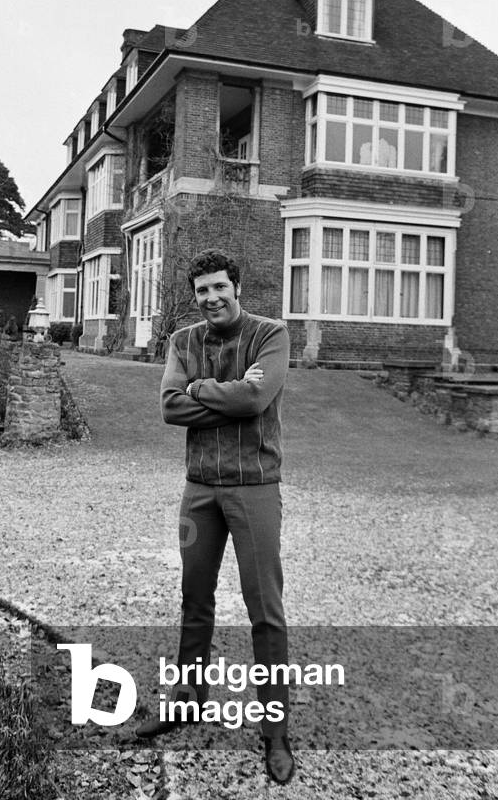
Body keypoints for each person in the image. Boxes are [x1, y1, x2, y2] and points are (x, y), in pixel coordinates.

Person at [135, 248, 295, 786]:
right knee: (194, 597)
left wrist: (199, 390)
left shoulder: (270, 335)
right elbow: (169, 408)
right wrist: (217, 394)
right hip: (199, 489)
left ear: (237, 287)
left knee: (264, 609)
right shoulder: (183, 342)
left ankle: (275, 730)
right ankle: (187, 698)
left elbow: (255, 400)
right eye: (203, 290)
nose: (212, 298)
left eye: (220, 288)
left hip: (254, 489)